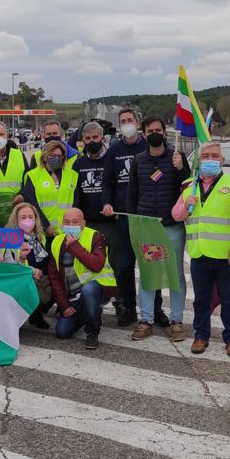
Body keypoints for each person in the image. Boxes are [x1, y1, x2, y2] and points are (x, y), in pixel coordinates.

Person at [173, 141, 230, 357]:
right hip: (199, 253)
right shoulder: (190, 186)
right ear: (199, 160)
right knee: (201, 299)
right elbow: (176, 215)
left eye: (215, 156)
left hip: (226, 254)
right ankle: (201, 335)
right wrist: (185, 204)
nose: (210, 160)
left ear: (222, 161)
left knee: (229, 298)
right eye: (206, 156)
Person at [127, 115, 191, 341]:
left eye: (158, 129)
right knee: (148, 274)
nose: (154, 133)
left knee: (175, 276)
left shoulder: (177, 157)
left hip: (171, 227)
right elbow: (132, 194)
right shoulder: (138, 160)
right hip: (147, 227)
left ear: (165, 132)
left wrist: (182, 169)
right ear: (144, 134)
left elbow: (188, 189)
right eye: (150, 130)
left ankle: (176, 321)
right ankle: (146, 321)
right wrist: (133, 223)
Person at [101, 107, 147, 326]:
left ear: (138, 123)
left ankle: (153, 311)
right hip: (123, 218)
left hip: (146, 218)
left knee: (149, 265)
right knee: (124, 266)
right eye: (123, 121)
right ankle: (128, 308)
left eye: (130, 120)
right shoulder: (114, 150)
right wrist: (107, 202)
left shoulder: (149, 146)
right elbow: (107, 181)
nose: (127, 123)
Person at [48, 207, 116, 350]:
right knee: (62, 332)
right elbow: (54, 277)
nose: (71, 226)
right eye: (67, 222)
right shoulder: (57, 242)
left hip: (96, 289)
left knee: (89, 288)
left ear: (83, 224)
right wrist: (63, 305)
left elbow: (97, 265)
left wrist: (75, 247)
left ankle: (92, 332)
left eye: (75, 222)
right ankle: (89, 313)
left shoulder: (95, 236)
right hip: (73, 297)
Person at [2, 201, 53, 328]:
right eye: (23, 217)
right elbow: (10, 265)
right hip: (25, 277)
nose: (28, 220)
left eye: (31, 217)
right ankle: (33, 314)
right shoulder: (10, 238)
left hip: (44, 276)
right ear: (16, 219)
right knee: (36, 292)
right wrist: (30, 269)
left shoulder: (41, 236)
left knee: (60, 286)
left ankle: (37, 313)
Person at [20, 140, 78, 238]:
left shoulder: (72, 175)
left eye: (59, 156)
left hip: (67, 231)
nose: (56, 158)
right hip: (43, 231)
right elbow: (32, 203)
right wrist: (46, 226)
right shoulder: (33, 175)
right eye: (53, 155)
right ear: (45, 156)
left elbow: (76, 202)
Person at [0, 121, 29, 227]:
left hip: (16, 209)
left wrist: (23, 194)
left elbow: (28, 180)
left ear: (7, 135)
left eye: (2, 134)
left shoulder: (19, 155)